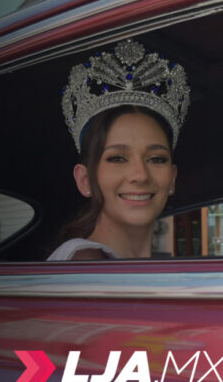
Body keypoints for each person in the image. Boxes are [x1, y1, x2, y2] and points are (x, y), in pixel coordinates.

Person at [48, 39, 190, 260]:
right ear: (85, 180)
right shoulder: (85, 265)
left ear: (172, 179)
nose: (140, 175)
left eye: (156, 158)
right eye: (117, 158)